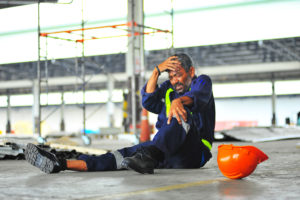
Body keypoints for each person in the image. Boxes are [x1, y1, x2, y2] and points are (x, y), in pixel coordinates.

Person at [25, 53, 215, 174]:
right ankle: (62, 164)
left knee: (181, 113)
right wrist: (157, 72)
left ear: (191, 71)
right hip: (164, 152)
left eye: (178, 74)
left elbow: (200, 97)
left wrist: (178, 101)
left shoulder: (202, 82)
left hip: (194, 153)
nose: (174, 80)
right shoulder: (168, 89)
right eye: (171, 76)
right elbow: (148, 100)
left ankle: (149, 155)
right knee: (122, 155)